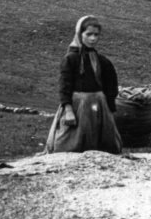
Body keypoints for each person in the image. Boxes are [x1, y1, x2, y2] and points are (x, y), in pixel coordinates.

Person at [44, 15, 122, 154]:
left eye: (96, 35)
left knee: (106, 146)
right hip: (78, 107)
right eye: (89, 34)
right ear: (80, 34)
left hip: (99, 106)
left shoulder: (102, 61)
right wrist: (68, 111)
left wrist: (109, 107)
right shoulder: (70, 59)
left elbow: (111, 84)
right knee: (69, 145)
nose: (93, 38)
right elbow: (65, 86)